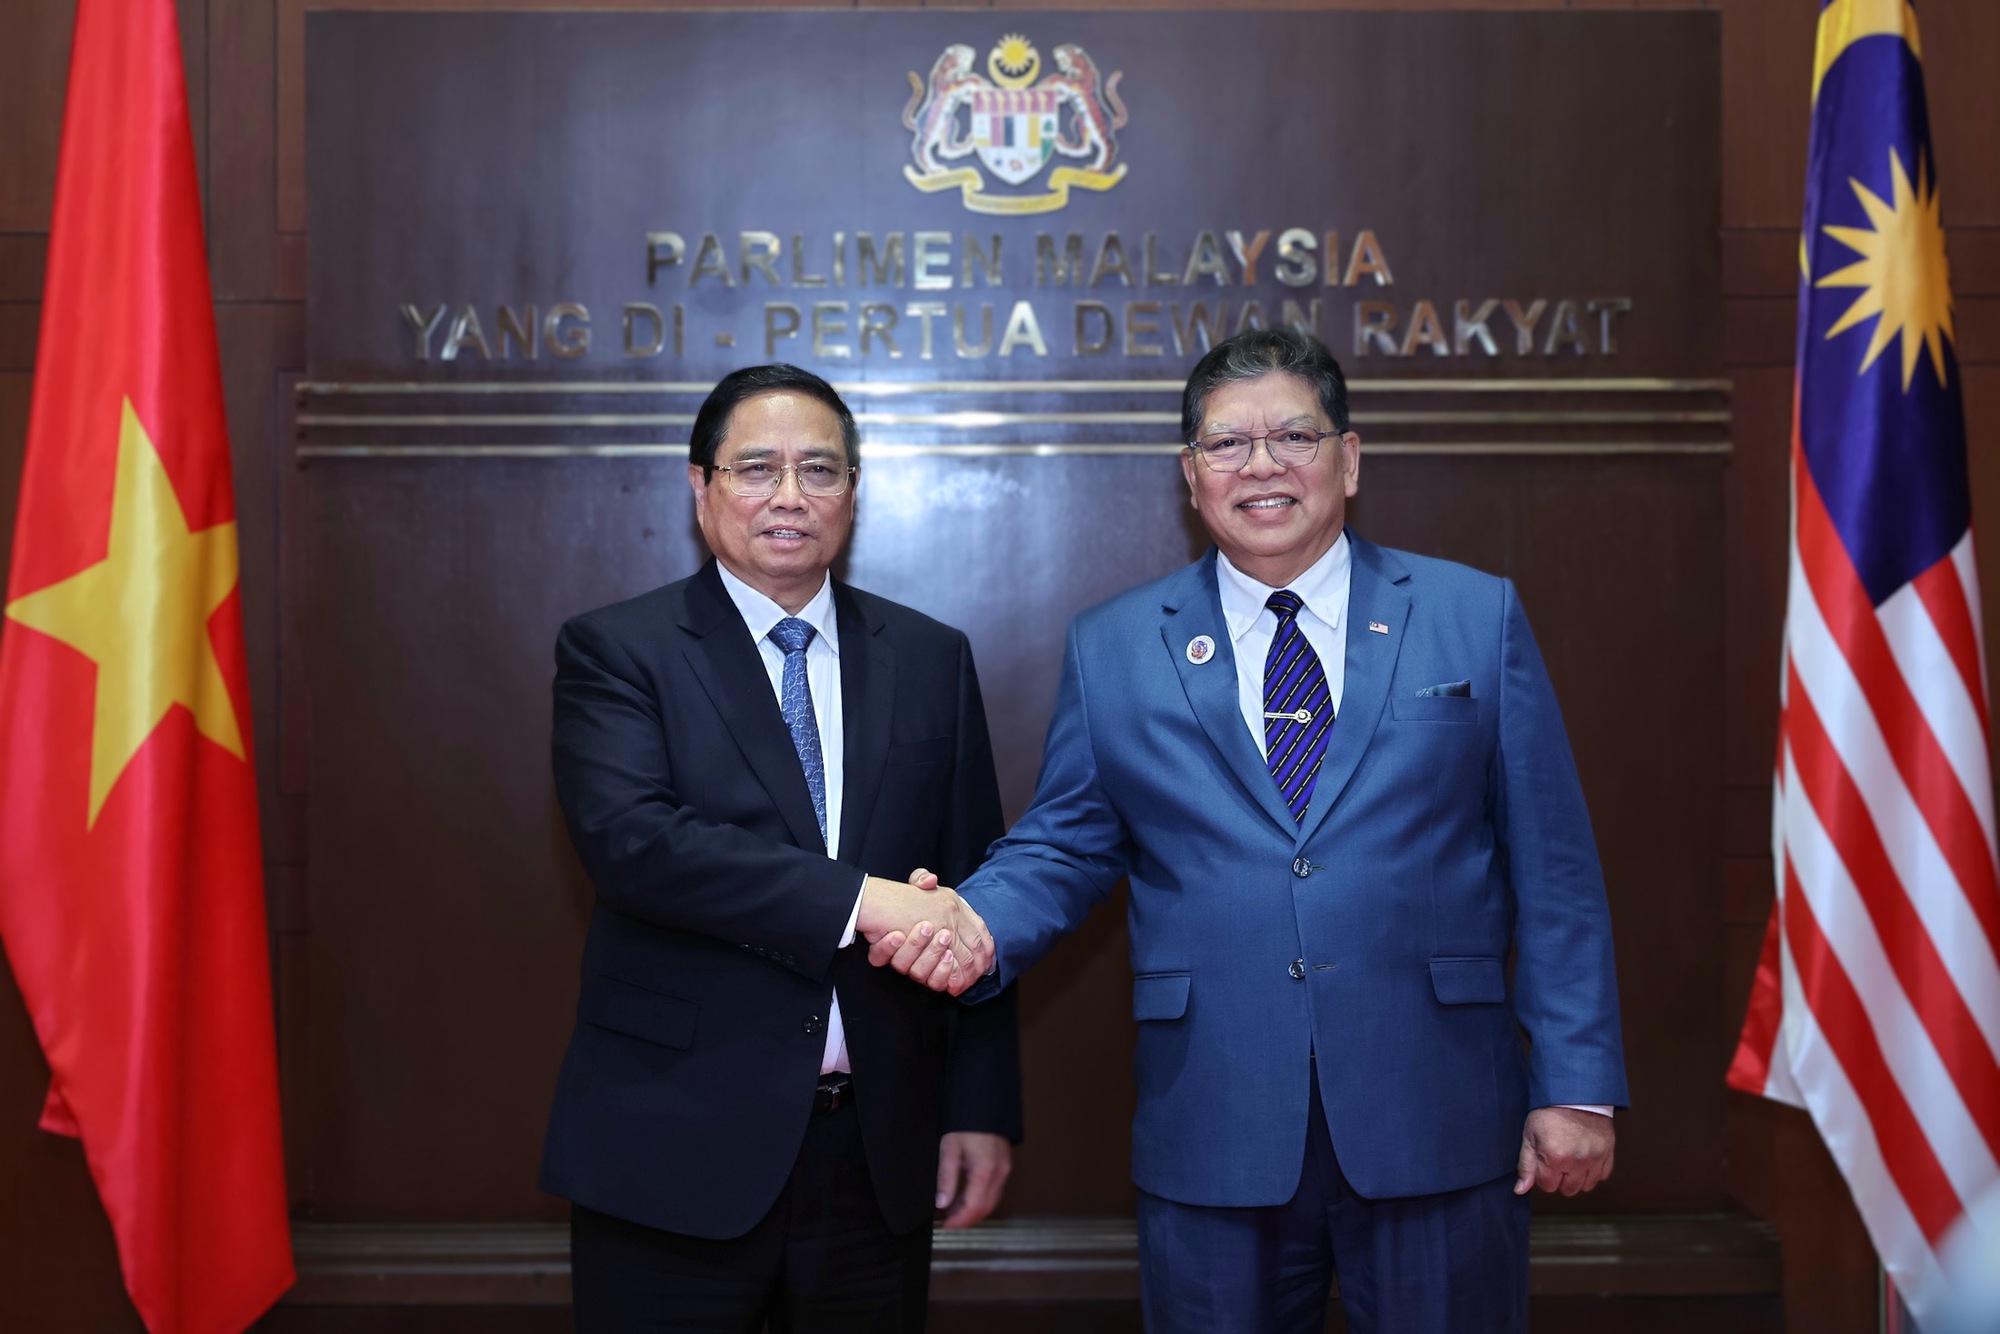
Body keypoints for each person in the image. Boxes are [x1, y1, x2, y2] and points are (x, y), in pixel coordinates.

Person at [876, 329, 1627, 1333]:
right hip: (1215, 1119)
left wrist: (1576, 1084)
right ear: (1191, 476)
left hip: (1437, 1111)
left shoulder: (1470, 615)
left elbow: (1555, 869)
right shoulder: (1115, 644)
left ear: (1347, 459)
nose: (1261, 465)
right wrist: (970, 924)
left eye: (1293, 437)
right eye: (1228, 444)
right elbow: (1066, 842)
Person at [541, 363, 1021, 1333]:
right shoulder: (619, 649)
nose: (790, 495)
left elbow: (973, 886)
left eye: (820, 470)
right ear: (701, 484)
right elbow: (636, 844)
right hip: (672, 1148)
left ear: (853, 490)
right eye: (756, 467)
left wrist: (978, 1104)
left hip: (875, 1157)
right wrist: (864, 899)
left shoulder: (929, 656)